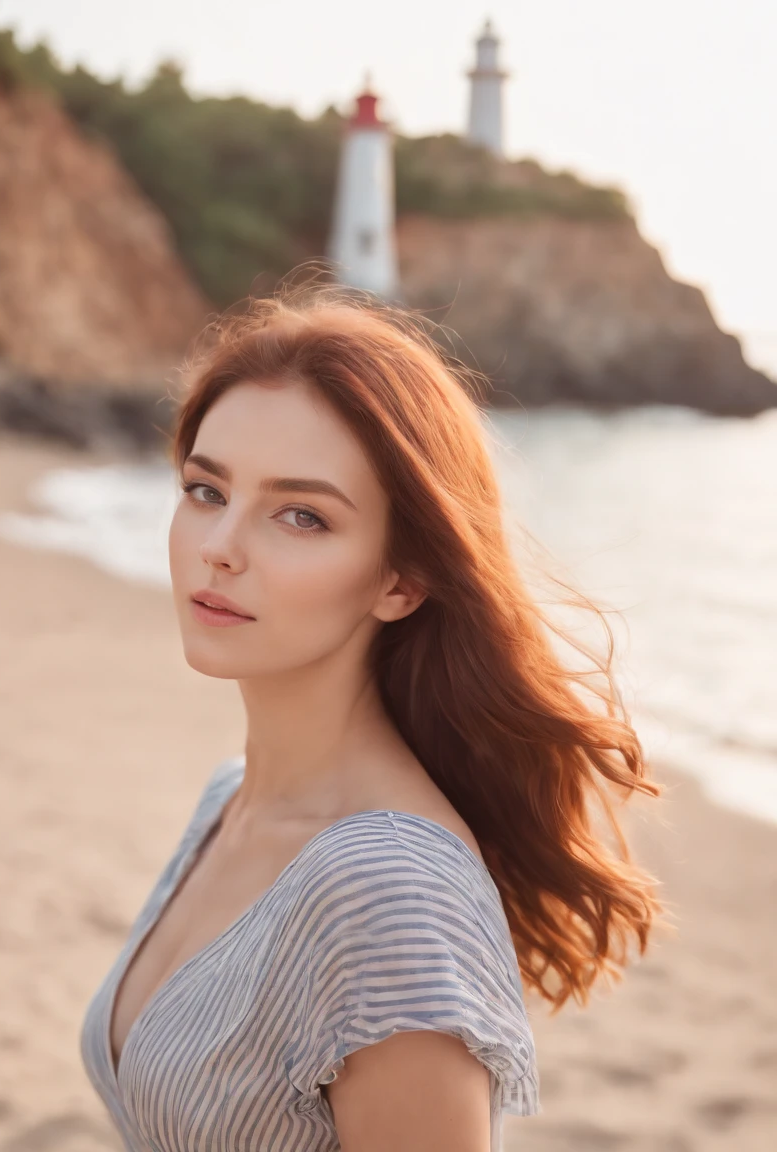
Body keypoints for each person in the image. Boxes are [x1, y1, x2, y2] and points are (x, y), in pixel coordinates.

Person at [79, 284, 666, 1151]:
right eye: (207, 490)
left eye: (301, 515)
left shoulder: (388, 888)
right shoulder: (231, 801)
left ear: (401, 582)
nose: (220, 546)